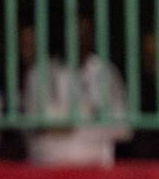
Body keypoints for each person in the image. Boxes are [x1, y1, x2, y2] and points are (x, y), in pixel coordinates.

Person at [22, 16, 130, 167]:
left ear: (92, 38)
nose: (78, 39)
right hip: (48, 167)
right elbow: (35, 124)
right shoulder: (40, 74)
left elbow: (123, 128)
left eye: (84, 33)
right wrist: (91, 117)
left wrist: (70, 126)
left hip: (97, 170)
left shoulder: (105, 73)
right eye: (73, 32)